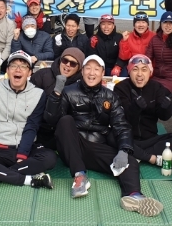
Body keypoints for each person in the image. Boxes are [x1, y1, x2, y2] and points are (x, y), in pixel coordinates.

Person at [44, 55, 163, 217]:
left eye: (96, 69)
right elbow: (51, 120)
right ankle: (80, 176)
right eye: (88, 68)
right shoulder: (68, 91)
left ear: (102, 73)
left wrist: (124, 150)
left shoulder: (110, 96)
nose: (92, 73)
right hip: (72, 147)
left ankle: (134, 196)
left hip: (96, 148)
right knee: (65, 121)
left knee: (130, 162)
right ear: (82, 71)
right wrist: (56, 94)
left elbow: (121, 125)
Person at [0, 50, 57, 189]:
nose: (18, 69)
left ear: (30, 72)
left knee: (49, 158)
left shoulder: (38, 94)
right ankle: (28, 179)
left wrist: (22, 155)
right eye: (13, 65)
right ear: (7, 70)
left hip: (26, 147)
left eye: (23, 66)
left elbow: (32, 126)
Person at [113, 55, 172, 169]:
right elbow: (122, 118)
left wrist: (166, 107)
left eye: (144, 69)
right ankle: (152, 158)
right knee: (110, 136)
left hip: (151, 140)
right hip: (128, 138)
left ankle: (137, 155)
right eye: (135, 69)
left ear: (150, 72)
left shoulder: (156, 88)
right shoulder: (120, 88)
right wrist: (135, 108)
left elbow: (164, 117)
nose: (139, 74)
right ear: (129, 71)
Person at [30, 47, 84, 149]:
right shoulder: (42, 75)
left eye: (73, 63)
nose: (67, 65)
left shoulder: (81, 85)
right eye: (65, 60)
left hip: (63, 132)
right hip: (38, 127)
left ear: (79, 68)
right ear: (60, 60)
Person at [145, 11, 172, 94]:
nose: (168, 26)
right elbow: (147, 58)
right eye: (165, 22)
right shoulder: (155, 39)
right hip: (157, 77)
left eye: (171, 23)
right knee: (146, 91)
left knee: (161, 93)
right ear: (161, 23)